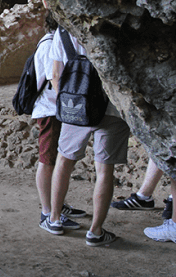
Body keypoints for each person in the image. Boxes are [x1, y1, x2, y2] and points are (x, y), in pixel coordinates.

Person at [43, 27, 131, 246]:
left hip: (76, 107)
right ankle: (96, 231)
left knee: (64, 161)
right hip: (112, 109)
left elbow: (56, 75)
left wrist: (68, 105)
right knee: (104, 169)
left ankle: (54, 219)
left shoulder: (64, 32)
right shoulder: (114, 24)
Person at [31, 14, 85, 231]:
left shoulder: (54, 41)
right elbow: (53, 79)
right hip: (51, 109)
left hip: (57, 109)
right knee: (48, 160)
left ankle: (58, 205)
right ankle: (47, 212)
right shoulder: (49, 44)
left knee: (56, 159)